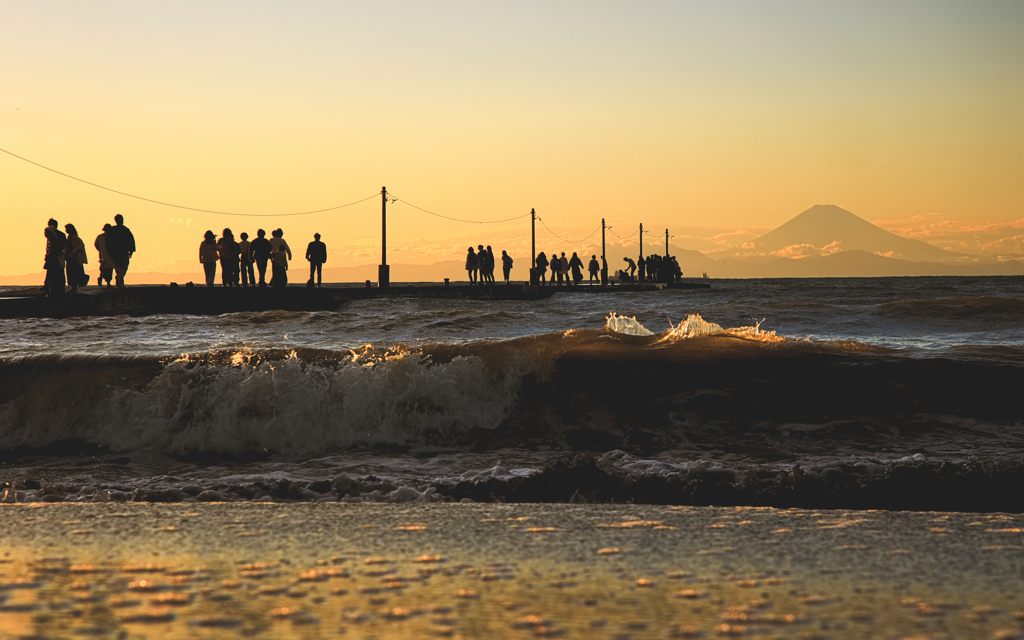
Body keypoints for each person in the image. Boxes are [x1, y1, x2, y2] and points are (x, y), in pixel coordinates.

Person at [104, 214, 135, 288]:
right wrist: (131, 251)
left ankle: (120, 280)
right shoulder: (125, 230)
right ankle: (120, 277)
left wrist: (109, 251)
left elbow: (108, 241)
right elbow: (131, 240)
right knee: (124, 266)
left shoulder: (112, 230)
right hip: (124, 251)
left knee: (118, 267)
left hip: (114, 252)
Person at [43, 219, 67, 298]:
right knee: (59, 274)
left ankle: (52, 291)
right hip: (59, 256)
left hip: (53, 257)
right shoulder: (61, 234)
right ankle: (60, 289)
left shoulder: (51, 234)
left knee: (52, 275)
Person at [63, 224, 89, 293]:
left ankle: (75, 287)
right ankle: (73, 287)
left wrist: (73, 252)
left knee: (75, 273)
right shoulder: (69, 238)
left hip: (75, 259)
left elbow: (80, 245)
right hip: (69, 258)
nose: (66, 230)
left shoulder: (75, 238)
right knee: (71, 273)